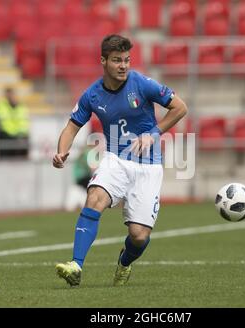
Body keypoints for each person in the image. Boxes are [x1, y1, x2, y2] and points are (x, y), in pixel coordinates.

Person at [53, 34, 187, 287]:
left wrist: (153, 133)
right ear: (103, 61)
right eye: (117, 60)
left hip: (148, 165)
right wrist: (61, 152)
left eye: (126, 60)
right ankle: (76, 265)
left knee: (138, 236)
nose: (123, 65)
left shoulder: (142, 84)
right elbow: (71, 127)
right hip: (115, 159)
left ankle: (124, 263)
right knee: (94, 198)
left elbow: (180, 107)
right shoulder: (92, 95)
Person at [0, 88, 29, 158]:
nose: (11, 97)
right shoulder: (1, 105)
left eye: (12, 95)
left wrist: (20, 135)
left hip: (20, 135)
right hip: (6, 134)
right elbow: (3, 121)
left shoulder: (22, 106)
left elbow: (24, 123)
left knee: (23, 143)